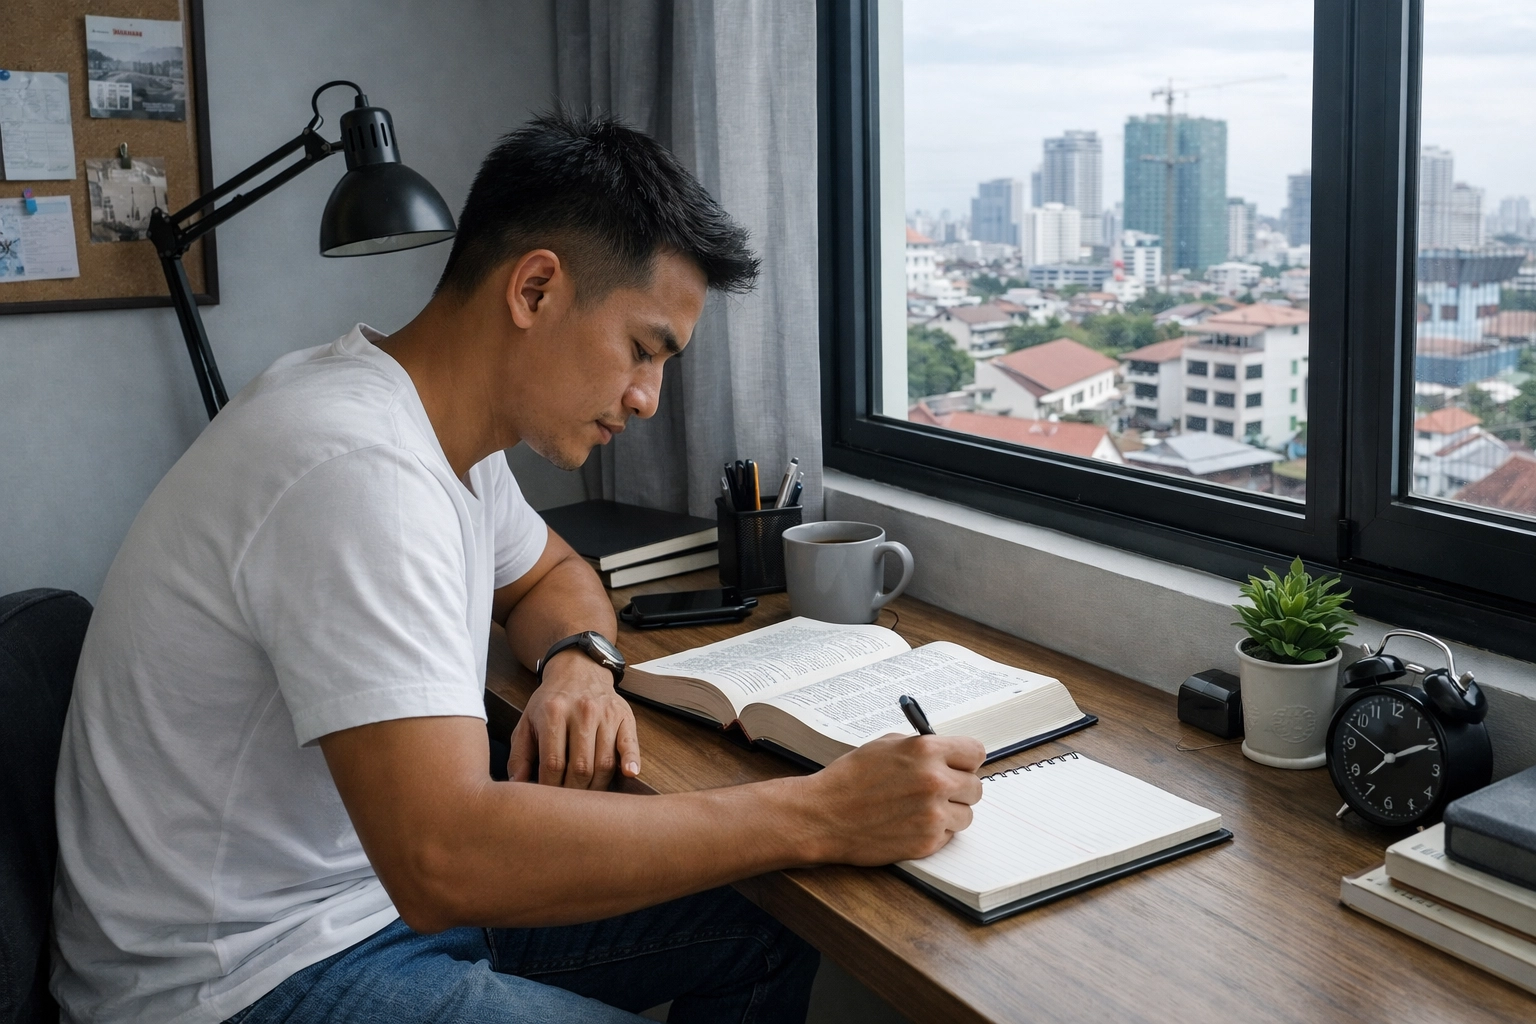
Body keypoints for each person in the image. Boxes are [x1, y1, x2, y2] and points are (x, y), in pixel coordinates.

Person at [51, 111, 985, 1024]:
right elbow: (445, 859)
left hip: (363, 902)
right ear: (535, 290)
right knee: (781, 857)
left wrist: (579, 663)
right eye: (641, 350)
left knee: (764, 922)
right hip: (240, 975)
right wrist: (818, 812)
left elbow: (554, 577)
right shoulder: (354, 470)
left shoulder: (436, 431)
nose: (648, 399)